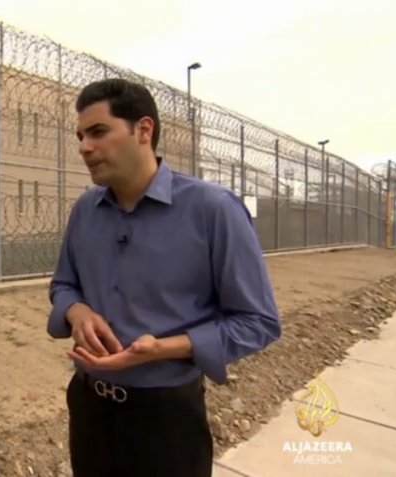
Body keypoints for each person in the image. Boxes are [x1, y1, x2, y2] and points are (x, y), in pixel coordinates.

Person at [47, 78, 282, 477]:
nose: (85, 146)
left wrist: (161, 349)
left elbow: (258, 322)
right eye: (81, 135)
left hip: (165, 419)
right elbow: (63, 285)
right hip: (89, 409)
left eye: (98, 132)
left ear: (143, 130)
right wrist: (78, 312)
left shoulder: (212, 210)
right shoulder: (85, 210)